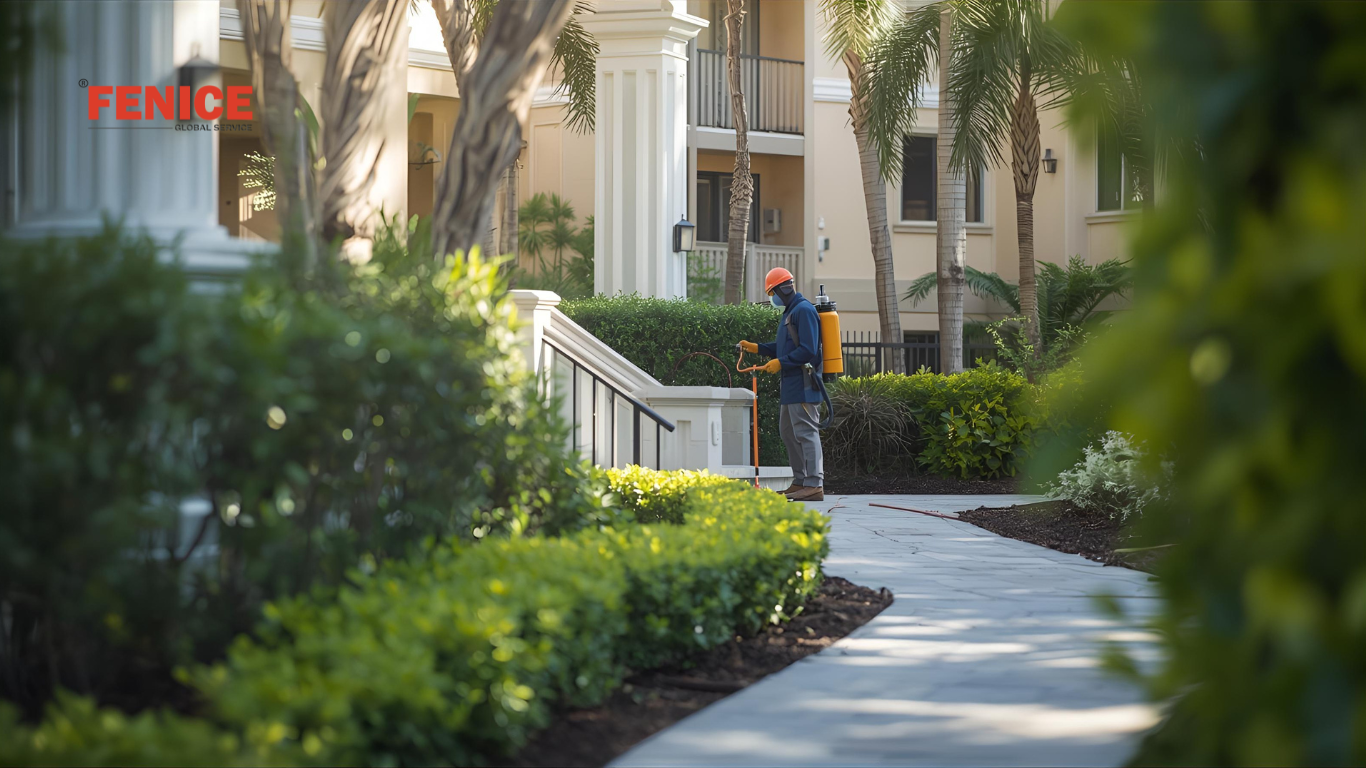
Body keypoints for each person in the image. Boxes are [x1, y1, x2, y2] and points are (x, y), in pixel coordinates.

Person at [738, 268, 824, 502]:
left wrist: (781, 363)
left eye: (771, 293)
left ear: (780, 290)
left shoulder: (804, 310)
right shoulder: (791, 311)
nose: (771, 298)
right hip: (791, 385)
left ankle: (814, 484)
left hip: (805, 384)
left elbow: (808, 349)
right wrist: (758, 348)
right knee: (787, 432)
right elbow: (784, 347)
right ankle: (800, 481)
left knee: (807, 433)